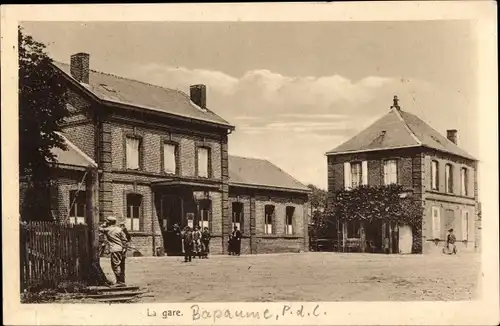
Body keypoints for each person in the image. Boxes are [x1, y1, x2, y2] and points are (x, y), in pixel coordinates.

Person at [99, 216, 129, 287]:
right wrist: (124, 248)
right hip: (121, 249)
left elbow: (99, 229)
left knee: (115, 265)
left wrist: (103, 224)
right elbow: (125, 240)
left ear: (109, 222)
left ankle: (119, 282)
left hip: (114, 250)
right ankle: (122, 281)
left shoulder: (108, 229)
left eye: (107, 221)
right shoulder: (119, 229)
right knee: (122, 265)